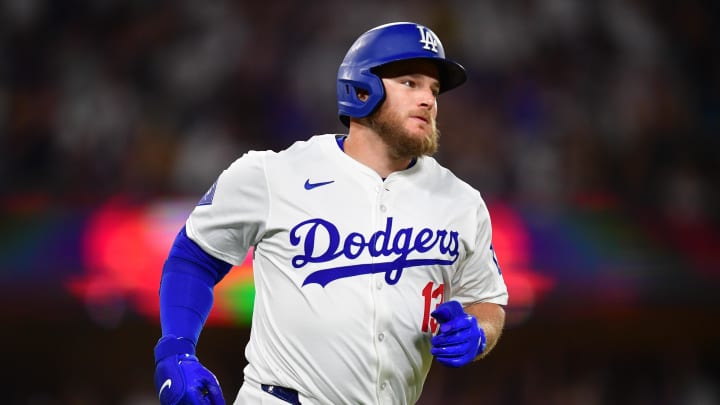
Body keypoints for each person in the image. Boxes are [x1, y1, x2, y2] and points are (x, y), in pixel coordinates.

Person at [153, 21, 509, 405]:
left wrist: (478, 332)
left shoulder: (461, 201)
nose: (428, 100)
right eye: (410, 83)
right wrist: (176, 350)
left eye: (434, 90)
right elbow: (194, 256)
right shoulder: (275, 174)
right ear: (361, 89)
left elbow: (487, 299)